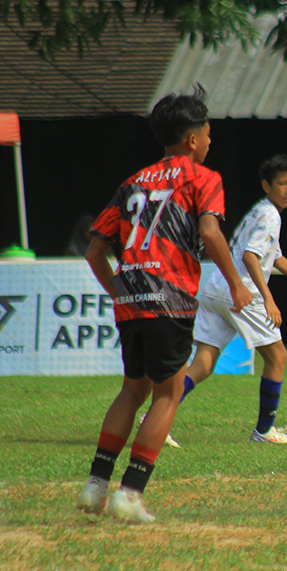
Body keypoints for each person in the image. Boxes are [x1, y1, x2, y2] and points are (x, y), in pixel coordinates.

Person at [77, 85, 252, 523]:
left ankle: (96, 486)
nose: (211, 143)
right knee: (168, 394)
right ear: (193, 139)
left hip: (133, 297)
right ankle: (131, 493)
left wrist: (119, 292)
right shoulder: (202, 178)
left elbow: (95, 251)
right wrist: (236, 285)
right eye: (208, 135)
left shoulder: (133, 181)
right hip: (169, 296)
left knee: (131, 390)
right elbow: (210, 234)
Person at [180, 154, 287, 444]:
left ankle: (154, 421)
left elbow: (273, 256)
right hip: (242, 293)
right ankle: (264, 431)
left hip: (216, 289)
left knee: (203, 363)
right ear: (266, 185)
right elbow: (252, 256)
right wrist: (269, 299)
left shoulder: (260, 210)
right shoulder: (270, 215)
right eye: (282, 184)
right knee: (278, 357)